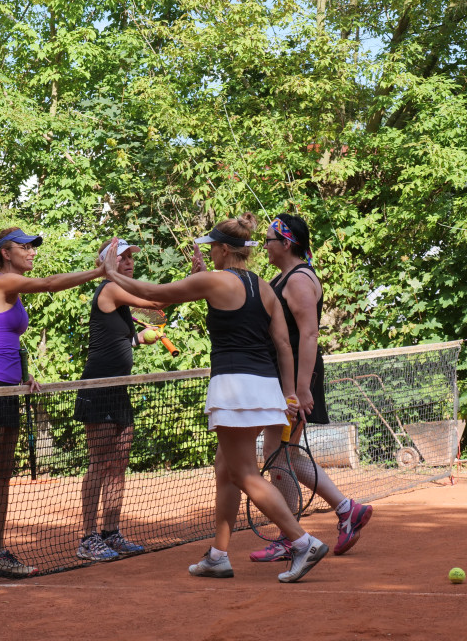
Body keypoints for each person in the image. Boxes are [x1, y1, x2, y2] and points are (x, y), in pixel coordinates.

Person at [102, 214, 328, 583]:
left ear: (224, 249)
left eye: (212, 248)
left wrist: (110, 273)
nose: (212, 253)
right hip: (264, 387)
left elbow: (154, 295)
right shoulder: (264, 286)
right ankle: (219, 556)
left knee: (242, 473)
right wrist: (288, 391)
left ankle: (302, 542)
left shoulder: (214, 281)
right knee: (225, 468)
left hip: (234, 388)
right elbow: (283, 344)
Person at [0, 227, 103, 581]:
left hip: (9, 389)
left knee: (2, 477)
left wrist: (22, 375)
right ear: (6, 253)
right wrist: (101, 271)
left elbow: (7, 340)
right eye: (24, 247)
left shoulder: (13, 288)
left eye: (33, 247)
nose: (32, 252)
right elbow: (50, 283)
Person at [248, 213, 373, 563]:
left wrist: (301, 389)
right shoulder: (284, 276)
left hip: (296, 380)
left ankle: (295, 535)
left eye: (269, 239)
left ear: (286, 243)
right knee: (284, 455)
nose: (265, 246)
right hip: (283, 378)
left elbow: (309, 334)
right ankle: (344, 510)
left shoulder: (299, 280)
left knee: (280, 455)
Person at [74, 238, 165, 562]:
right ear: (108, 263)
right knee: (99, 464)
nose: (129, 261)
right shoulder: (110, 289)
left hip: (119, 389)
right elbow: (152, 298)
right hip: (97, 388)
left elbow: (117, 340)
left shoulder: (121, 300)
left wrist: (139, 339)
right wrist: (190, 286)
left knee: (118, 465)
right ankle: (88, 538)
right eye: (122, 257)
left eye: (130, 257)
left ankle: (111, 533)